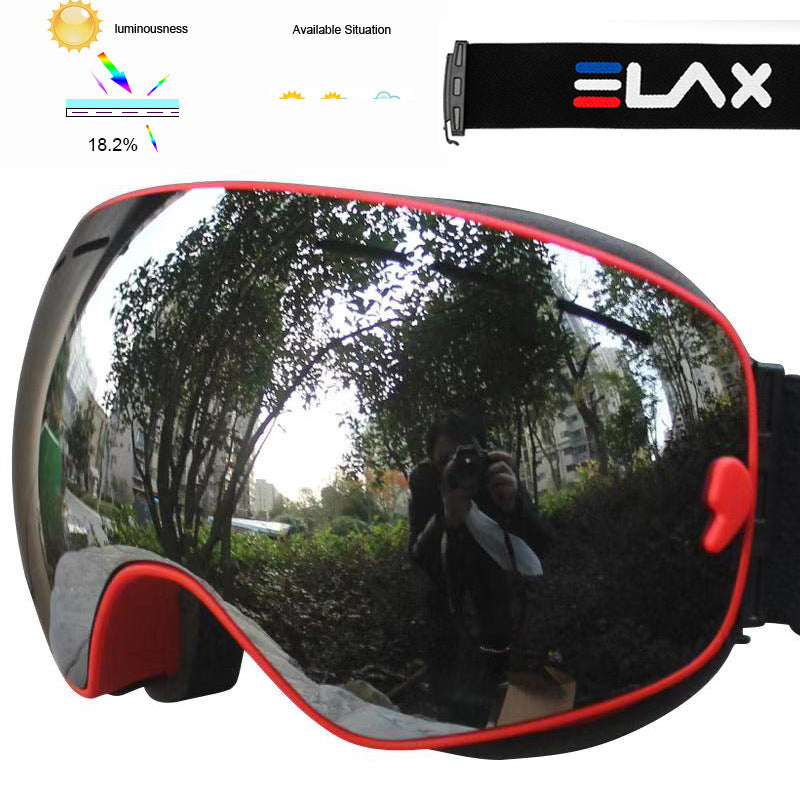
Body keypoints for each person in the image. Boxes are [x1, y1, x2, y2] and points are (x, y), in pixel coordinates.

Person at [408, 409, 549, 726]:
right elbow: (417, 555)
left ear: (482, 452)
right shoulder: (425, 481)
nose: (459, 466)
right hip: (446, 615)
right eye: (445, 460)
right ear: (431, 462)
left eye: (467, 455)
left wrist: (513, 504)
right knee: (454, 708)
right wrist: (443, 520)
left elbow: (542, 545)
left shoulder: (493, 472)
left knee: (500, 685)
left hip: (497, 606)